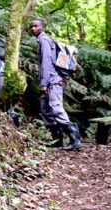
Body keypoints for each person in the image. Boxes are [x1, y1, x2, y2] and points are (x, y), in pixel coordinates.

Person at [30, 19, 82, 151]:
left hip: (53, 81)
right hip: (50, 81)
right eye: (31, 27)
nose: (33, 29)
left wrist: (43, 83)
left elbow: (47, 62)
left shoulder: (44, 40)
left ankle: (75, 139)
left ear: (42, 27)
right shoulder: (43, 40)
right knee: (46, 110)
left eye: (35, 26)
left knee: (56, 108)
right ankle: (57, 140)